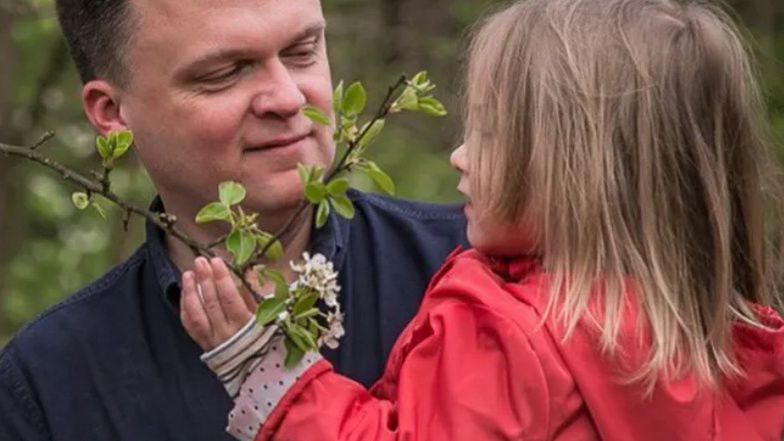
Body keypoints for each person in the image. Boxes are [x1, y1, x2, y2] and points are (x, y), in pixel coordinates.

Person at [181, 0, 784, 439]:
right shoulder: (732, 344)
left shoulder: (509, 335)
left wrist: (267, 372)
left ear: (581, 171)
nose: (460, 156)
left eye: (491, 133)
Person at [0, 0, 467, 439]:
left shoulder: (480, 270)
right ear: (112, 113)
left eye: (302, 52)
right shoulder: (48, 386)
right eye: (224, 74)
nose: (286, 98)